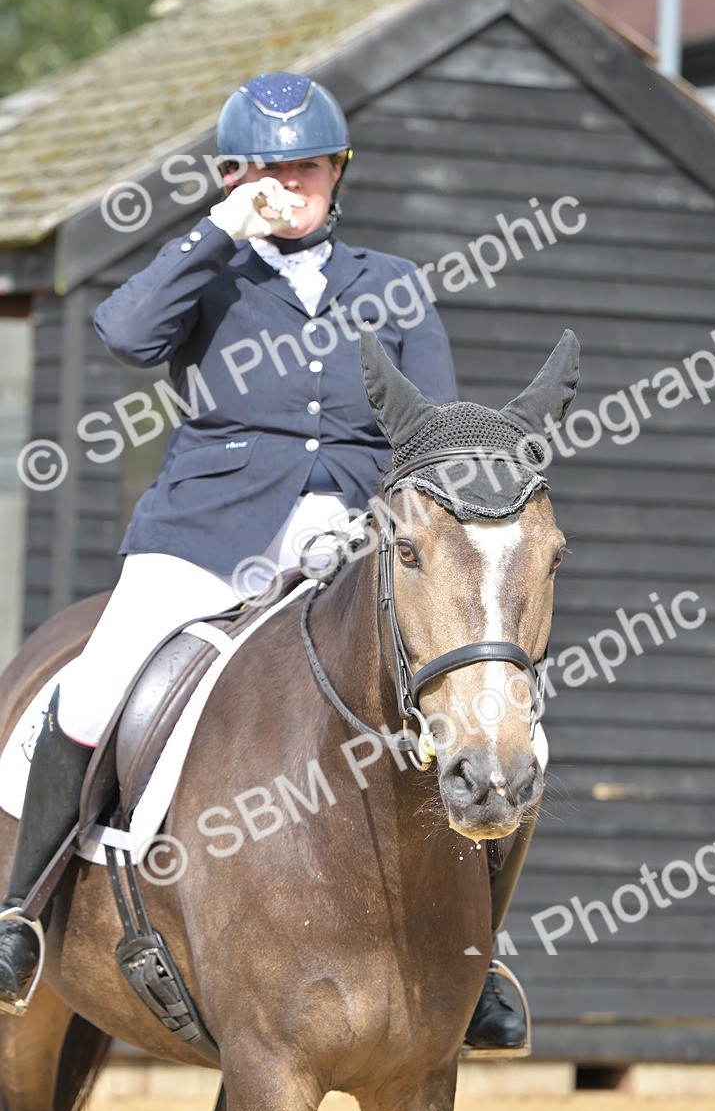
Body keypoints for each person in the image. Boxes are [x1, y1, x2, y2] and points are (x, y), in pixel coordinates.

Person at [0, 72, 527, 1048]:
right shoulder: (210, 273)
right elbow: (122, 332)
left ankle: (476, 957)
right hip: (207, 535)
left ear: (337, 172)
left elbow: (440, 438)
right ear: (236, 175)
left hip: (360, 539)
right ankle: (23, 914)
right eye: (268, 168)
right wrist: (219, 229)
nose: (291, 183)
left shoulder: (392, 285)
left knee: (485, 707)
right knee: (93, 686)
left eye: (307, 165)